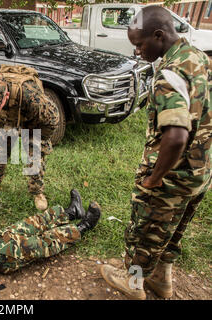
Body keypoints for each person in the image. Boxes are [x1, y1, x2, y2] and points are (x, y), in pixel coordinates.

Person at [100, 5, 211, 300]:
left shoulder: (169, 76)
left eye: (139, 44)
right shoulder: (197, 57)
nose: (137, 51)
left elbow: (175, 137)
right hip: (199, 173)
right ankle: (161, 279)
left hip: (171, 177)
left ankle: (134, 283)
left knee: (145, 234)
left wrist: (153, 179)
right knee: (172, 232)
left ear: (159, 36)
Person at [0, 65, 60, 211]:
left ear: (6, 96)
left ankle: (37, 192)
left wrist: (39, 139)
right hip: (5, 120)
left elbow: (53, 118)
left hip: (30, 120)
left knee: (34, 155)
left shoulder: (31, 96)